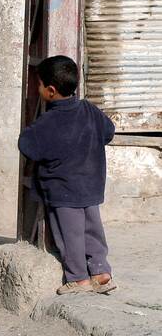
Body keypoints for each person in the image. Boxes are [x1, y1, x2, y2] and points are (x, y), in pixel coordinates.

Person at [18, 56, 116, 295]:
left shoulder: (47, 122)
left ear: (50, 91)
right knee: (93, 229)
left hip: (63, 191)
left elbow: (27, 145)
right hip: (91, 185)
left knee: (69, 235)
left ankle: (79, 279)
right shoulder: (89, 110)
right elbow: (109, 131)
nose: (37, 88)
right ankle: (102, 273)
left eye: (38, 85)